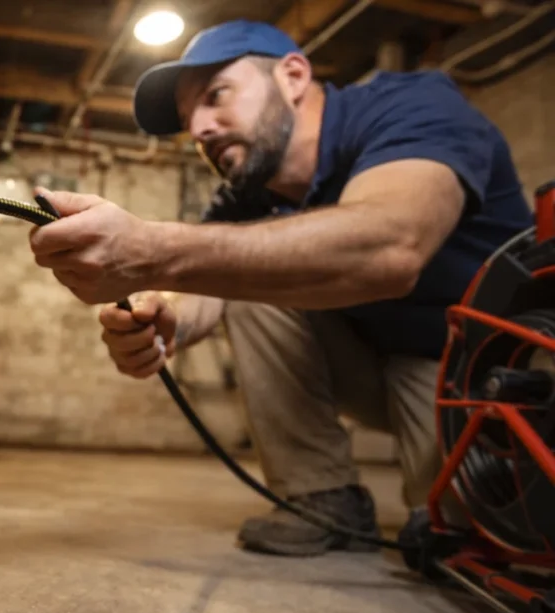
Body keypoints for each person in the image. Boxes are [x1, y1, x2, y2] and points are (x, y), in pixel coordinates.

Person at [27, 20, 534, 556]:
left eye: (216, 96)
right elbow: (208, 284)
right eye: (186, 118)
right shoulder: (251, 191)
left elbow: (391, 247)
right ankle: (323, 496)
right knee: (245, 276)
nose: (199, 128)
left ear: (292, 76)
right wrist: (164, 318)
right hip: (383, 365)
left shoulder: (414, 107)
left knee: (479, 541)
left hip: (489, 373)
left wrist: (156, 251)